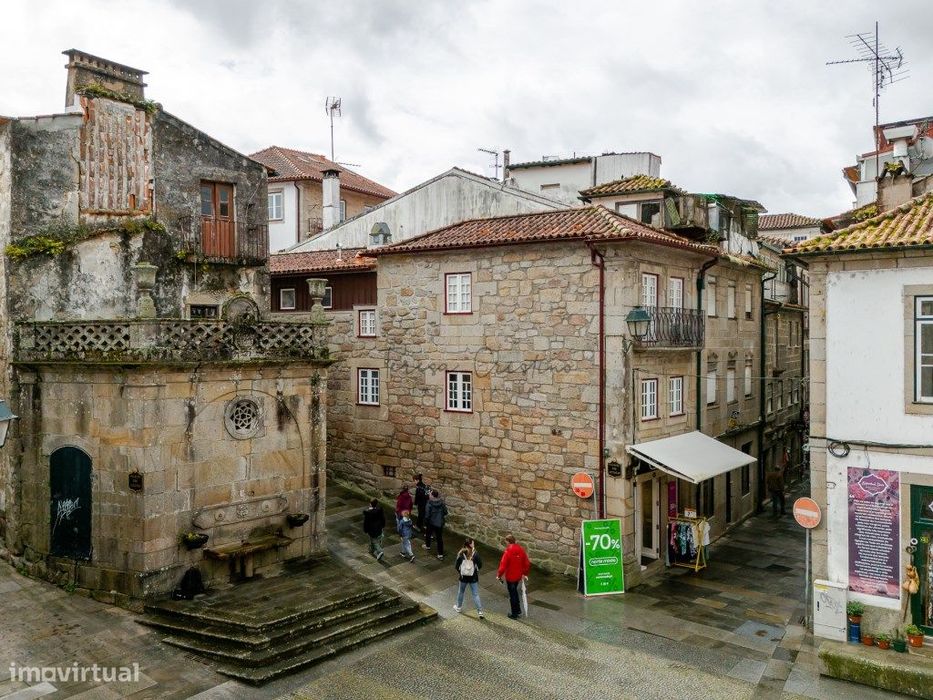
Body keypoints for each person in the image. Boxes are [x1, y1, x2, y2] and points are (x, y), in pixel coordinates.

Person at [496, 534, 530, 619]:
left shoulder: (508, 551)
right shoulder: (521, 549)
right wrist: (524, 573)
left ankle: (514, 613)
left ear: (508, 542)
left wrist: (499, 575)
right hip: (518, 576)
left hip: (510, 577)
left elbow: (502, 566)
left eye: (506, 542)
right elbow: (527, 563)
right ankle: (518, 610)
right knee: (515, 592)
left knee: (512, 594)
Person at [454, 538, 484, 618]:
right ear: (470, 545)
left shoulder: (461, 553)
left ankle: (458, 607)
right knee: (475, 594)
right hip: (473, 577)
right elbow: (480, 565)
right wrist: (474, 570)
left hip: (463, 577)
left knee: (461, 592)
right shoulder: (475, 554)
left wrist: (461, 572)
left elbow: (456, 566)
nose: (473, 544)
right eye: (473, 543)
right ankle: (480, 611)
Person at [423, 489, 449, 559]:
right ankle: (440, 554)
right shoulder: (442, 503)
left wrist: (426, 522)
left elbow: (427, 515)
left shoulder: (429, 504)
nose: (429, 495)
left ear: (432, 496)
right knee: (439, 538)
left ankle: (427, 546)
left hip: (431, 523)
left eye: (430, 494)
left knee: (428, 534)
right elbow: (446, 512)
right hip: (439, 523)